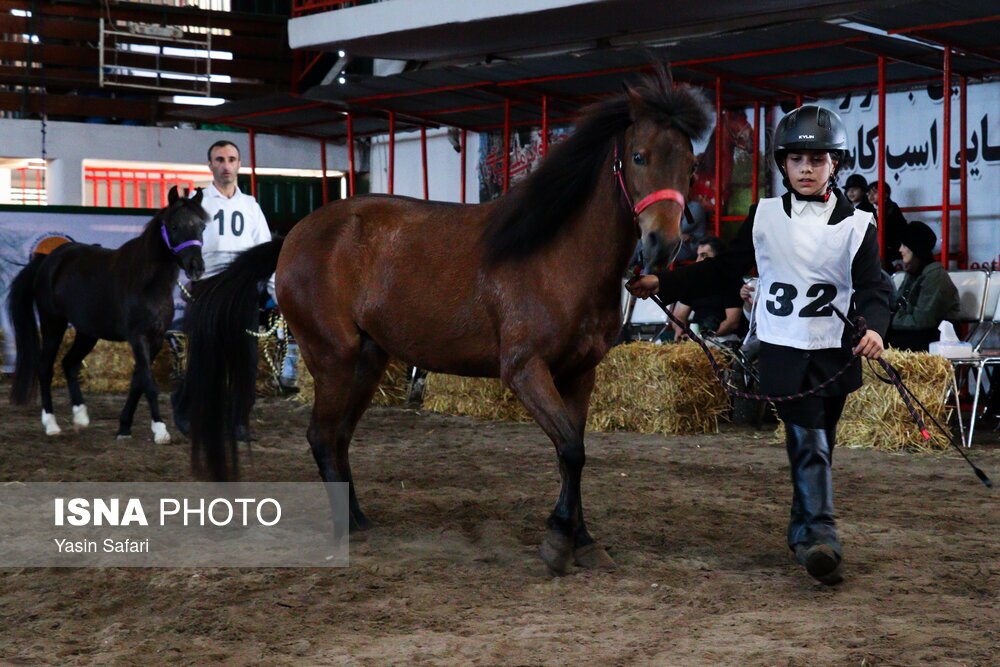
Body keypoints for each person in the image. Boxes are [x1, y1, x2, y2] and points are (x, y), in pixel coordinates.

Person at [627, 105, 890, 586]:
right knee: (807, 438)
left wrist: (873, 327)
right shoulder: (763, 216)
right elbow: (724, 270)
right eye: (796, 160)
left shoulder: (860, 226)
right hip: (784, 350)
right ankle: (821, 536)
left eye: (817, 160)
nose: (806, 169)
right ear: (783, 164)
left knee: (819, 443)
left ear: (836, 163)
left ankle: (800, 531)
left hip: (835, 353)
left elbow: (875, 289)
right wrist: (662, 282)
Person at [172, 139, 277, 435]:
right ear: (210, 165)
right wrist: (184, 281)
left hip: (242, 290)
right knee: (206, 356)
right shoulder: (195, 203)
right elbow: (181, 247)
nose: (226, 165)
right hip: (207, 288)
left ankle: (239, 419)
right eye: (219, 159)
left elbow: (265, 250)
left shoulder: (250, 205)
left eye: (231, 159)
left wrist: (275, 292)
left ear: (239, 164)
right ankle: (184, 408)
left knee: (245, 357)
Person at [887, 221, 960, 351]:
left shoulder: (935, 276)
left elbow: (922, 320)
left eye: (904, 245)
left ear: (915, 248)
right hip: (917, 332)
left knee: (890, 342)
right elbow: (899, 306)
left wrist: (891, 320)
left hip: (938, 336)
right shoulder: (913, 273)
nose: (900, 250)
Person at [669, 236, 743, 343]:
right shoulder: (693, 282)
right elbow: (679, 315)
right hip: (697, 338)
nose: (698, 260)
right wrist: (681, 330)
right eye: (697, 255)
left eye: (704, 255)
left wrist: (704, 339)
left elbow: (732, 322)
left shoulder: (731, 281)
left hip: (725, 339)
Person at [866, 181, 907, 270]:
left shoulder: (892, 208)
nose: (870, 196)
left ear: (886, 194)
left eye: (875, 193)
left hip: (892, 249)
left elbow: (894, 231)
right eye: (869, 193)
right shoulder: (869, 208)